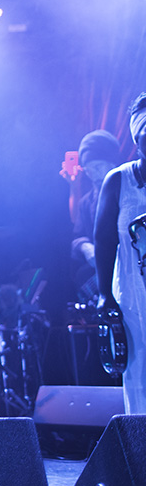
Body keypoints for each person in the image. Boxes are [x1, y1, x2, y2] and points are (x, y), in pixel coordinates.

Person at [94, 92, 146, 414]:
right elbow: (103, 240)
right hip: (132, 298)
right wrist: (103, 295)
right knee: (140, 376)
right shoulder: (119, 181)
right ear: (136, 139)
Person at [69, 130, 122, 302]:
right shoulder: (86, 202)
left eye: (98, 167)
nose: (94, 175)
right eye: (88, 170)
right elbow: (77, 237)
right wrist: (85, 247)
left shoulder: (132, 191)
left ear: (113, 164)